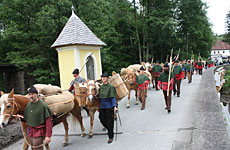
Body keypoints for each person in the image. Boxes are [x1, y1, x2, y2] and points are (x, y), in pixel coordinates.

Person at [24, 86, 52, 150]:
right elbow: (28, 118)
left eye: (33, 94)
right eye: (29, 94)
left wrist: (48, 136)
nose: (31, 96)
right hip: (30, 132)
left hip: (39, 132)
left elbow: (48, 122)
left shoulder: (43, 106)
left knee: (38, 148)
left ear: (36, 94)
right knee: (33, 148)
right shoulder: (28, 105)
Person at [98, 72, 118, 144]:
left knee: (110, 121)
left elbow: (113, 97)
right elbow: (99, 96)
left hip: (109, 106)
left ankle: (110, 137)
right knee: (101, 119)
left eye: (105, 77)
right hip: (102, 106)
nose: (103, 78)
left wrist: (115, 106)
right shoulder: (100, 87)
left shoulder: (111, 87)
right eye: (102, 77)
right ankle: (110, 129)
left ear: (107, 78)